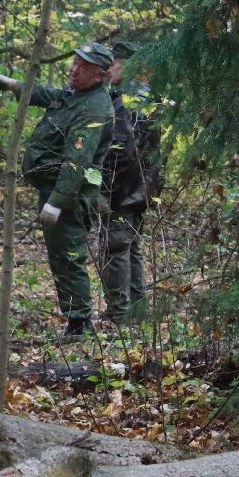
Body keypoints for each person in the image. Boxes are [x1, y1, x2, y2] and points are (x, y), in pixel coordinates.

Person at [0, 43, 116, 338]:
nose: (74, 70)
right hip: (56, 188)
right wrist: (13, 85)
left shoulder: (94, 108)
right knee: (60, 255)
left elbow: (78, 160)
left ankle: (79, 324)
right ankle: (76, 320)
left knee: (68, 256)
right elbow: (50, 96)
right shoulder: (76, 94)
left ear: (100, 75)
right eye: (75, 63)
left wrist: (57, 201)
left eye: (83, 67)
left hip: (71, 195)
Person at [96, 39, 160, 322]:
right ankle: (137, 313)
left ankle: (119, 315)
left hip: (123, 190)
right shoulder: (147, 98)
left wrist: (106, 191)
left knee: (115, 248)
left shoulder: (127, 102)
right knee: (130, 248)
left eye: (114, 64)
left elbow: (120, 152)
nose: (108, 70)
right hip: (140, 189)